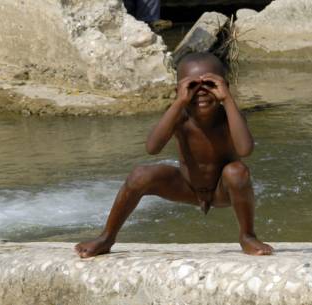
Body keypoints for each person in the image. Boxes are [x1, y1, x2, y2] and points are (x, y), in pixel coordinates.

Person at [75, 52, 274, 258]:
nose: (201, 92)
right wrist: (179, 102)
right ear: (178, 90)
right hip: (187, 187)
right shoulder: (180, 117)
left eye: (210, 84)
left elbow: (245, 150)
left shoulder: (230, 117)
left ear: (224, 87)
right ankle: (107, 237)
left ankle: (247, 235)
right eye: (192, 86)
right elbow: (152, 148)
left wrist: (228, 100)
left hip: (222, 191)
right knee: (140, 175)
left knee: (237, 172)